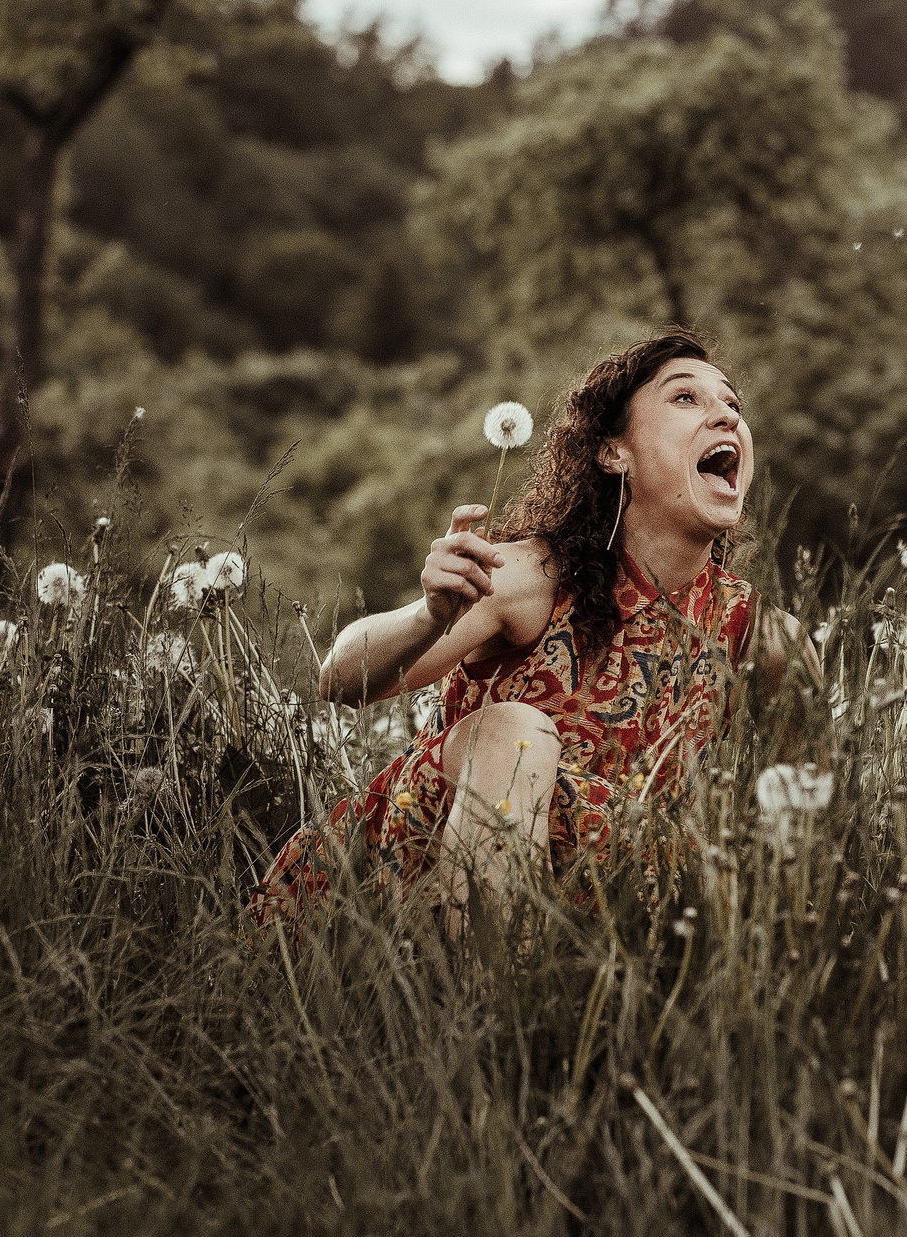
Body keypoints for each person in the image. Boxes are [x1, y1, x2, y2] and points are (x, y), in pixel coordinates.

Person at [252, 330, 799, 930]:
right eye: (685, 398)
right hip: (406, 878)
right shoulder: (531, 577)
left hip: (611, 911)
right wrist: (429, 616)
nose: (726, 415)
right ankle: (480, 987)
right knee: (517, 733)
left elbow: (805, 824)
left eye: (733, 404)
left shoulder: (763, 639)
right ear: (614, 453)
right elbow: (340, 680)